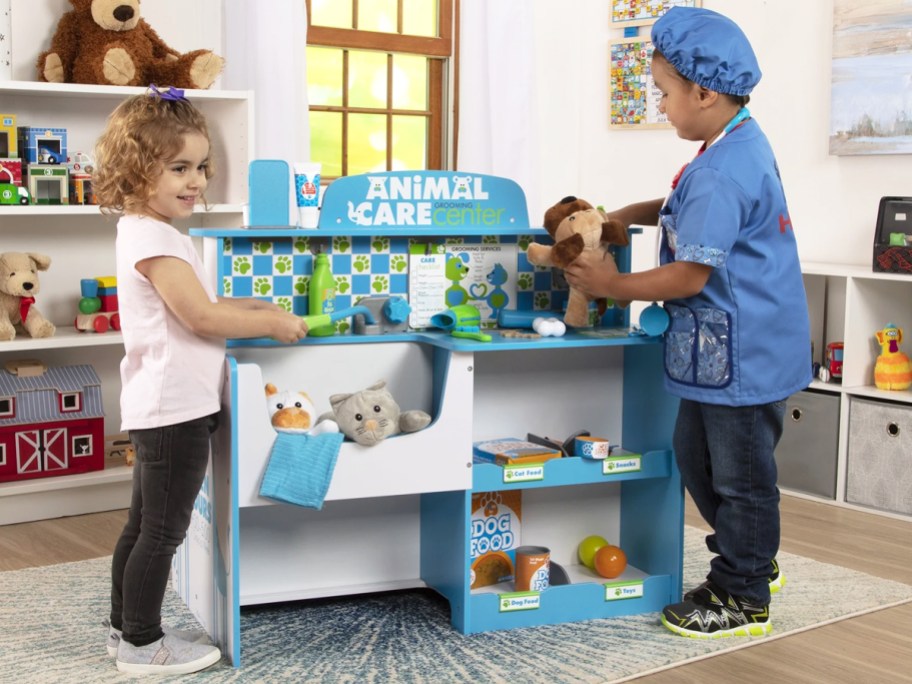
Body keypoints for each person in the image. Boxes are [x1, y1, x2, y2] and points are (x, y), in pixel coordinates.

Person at [564, 7, 811, 638]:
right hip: (726, 347)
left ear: (703, 91)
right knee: (695, 457)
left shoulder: (724, 170)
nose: (662, 107)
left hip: (742, 350)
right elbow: (680, 208)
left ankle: (742, 592)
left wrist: (610, 285)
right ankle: (752, 551)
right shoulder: (727, 144)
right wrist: (624, 214)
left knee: (741, 475)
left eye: (665, 94)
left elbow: (689, 276)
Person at [93, 85, 310, 674]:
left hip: (165, 402)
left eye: (201, 167)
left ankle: (123, 631)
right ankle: (142, 644)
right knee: (162, 533)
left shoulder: (153, 232)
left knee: (143, 528)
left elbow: (201, 301)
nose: (195, 181)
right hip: (174, 409)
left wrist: (255, 306)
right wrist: (273, 327)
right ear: (138, 172)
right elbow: (200, 317)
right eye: (178, 168)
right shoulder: (155, 237)